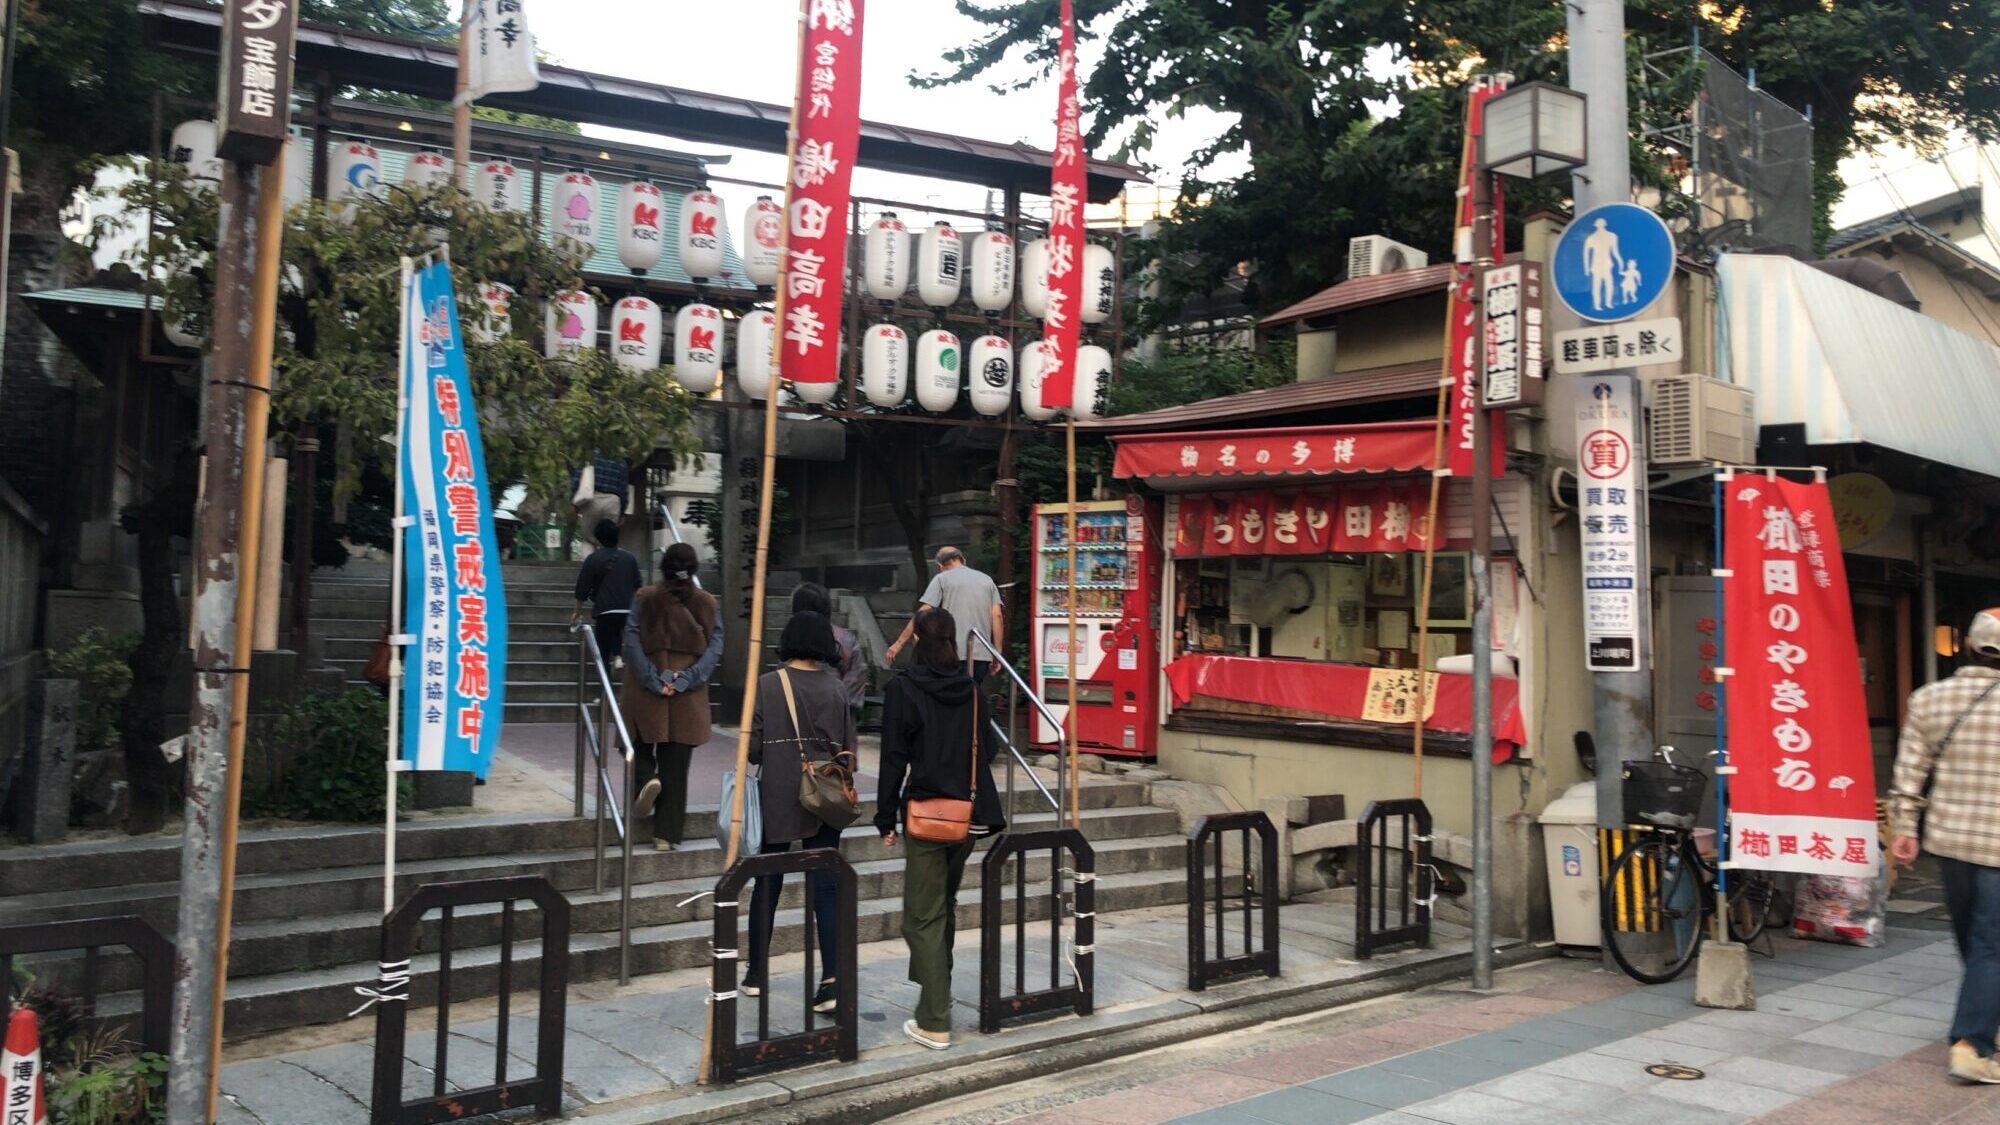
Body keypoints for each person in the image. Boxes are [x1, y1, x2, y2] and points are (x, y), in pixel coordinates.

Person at [876, 608, 1004, 1051]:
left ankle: (934, 1018)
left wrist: (884, 816)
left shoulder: (904, 688)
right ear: (952, 642)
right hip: (967, 817)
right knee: (942, 906)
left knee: (921, 917)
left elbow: (893, 756)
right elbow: (986, 748)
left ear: (918, 642)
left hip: (925, 815)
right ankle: (938, 989)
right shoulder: (970, 690)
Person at [1891, 607, 2000, 1085]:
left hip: (1950, 841)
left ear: (1969, 646)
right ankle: (1971, 1043)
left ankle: (1987, 1018)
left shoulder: (1929, 698)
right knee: (1991, 945)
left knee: (1974, 940)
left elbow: (1909, 771)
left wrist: (1903, 828)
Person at [742, 611, 857, 1014]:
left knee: (767, 881)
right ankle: (830, 979)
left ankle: (756, 973)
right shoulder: (836, 689)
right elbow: (848, 750)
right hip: (824, 792)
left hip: (777, 792)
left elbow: (753, 749)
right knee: (825, 884)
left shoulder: (768, 685)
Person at [622, 542, 723, 851]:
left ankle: (646, 778)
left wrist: (652, 680)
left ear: (663, 568)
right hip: (687, 693)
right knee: (677, 764)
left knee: (637, 741)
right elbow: (716, 645)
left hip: (646, 685)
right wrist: (688, 678)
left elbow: (631, 639)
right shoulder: (706, 603)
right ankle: (665, 834)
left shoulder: (644, 598)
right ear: (693, 570)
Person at [885, 546, 1003, 683]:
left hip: (950, 653)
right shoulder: (987, 580)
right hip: (982, 654)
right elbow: (997, 616)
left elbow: (923, 612)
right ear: (963, 560)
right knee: (972, 696)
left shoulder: (942, 579)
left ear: (940, 566)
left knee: (950, 695)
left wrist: (899, 644)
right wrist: (997, 653)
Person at [572, 519, 642, 669]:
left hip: (605, 610)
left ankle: (606, 688)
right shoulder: (630, 558)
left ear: (598, 538)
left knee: (602, 653)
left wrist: (577, 612)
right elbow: (639, 586)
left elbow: (582, 590)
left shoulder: (593, 559)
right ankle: (618, 656)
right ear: (617, 536)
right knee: (624, 636)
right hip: (628, 610)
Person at [794, 582, 866, 718]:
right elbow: (857, 676)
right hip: (837, 719)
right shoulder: (846, 640)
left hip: (798, 718)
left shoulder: (790, 640)